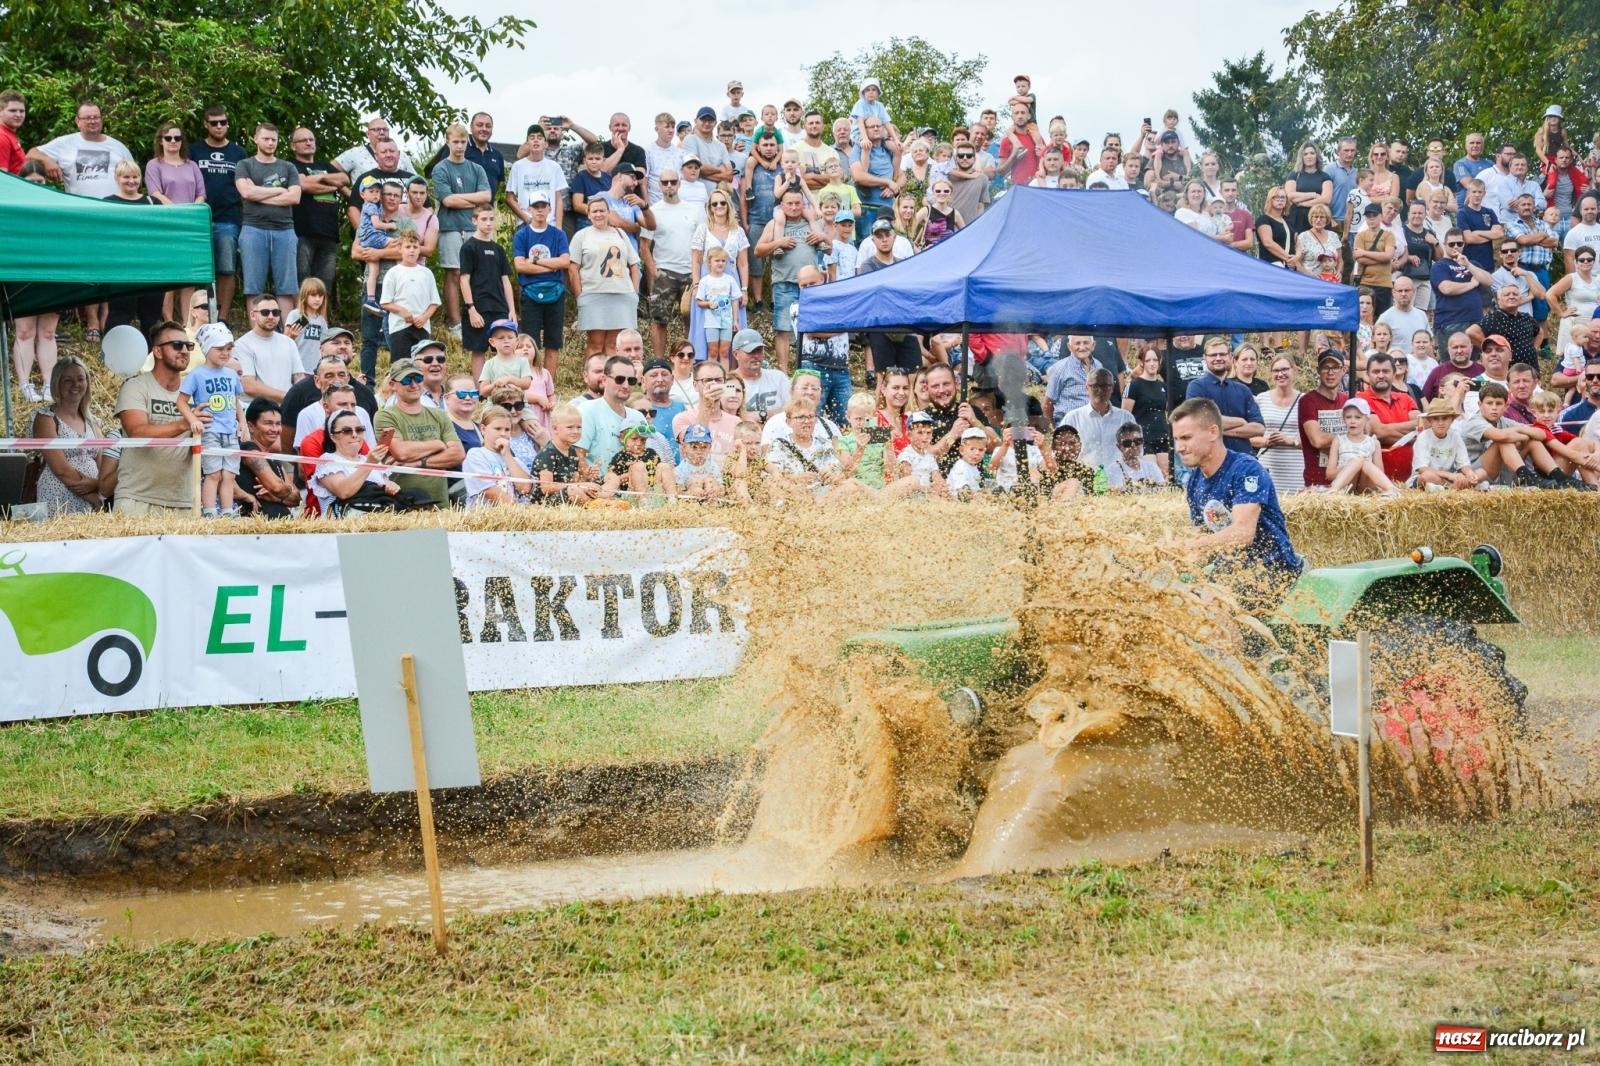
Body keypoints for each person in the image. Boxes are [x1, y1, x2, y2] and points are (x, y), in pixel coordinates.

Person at [1173, 397, 1304, 613]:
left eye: (1186, 437)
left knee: (1214, 602)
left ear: (1213, 432)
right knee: (1175, 594)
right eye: (1177, 439)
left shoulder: (1246, 469)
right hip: (1231, 570)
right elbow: (1202, 536)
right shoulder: (1194, 482)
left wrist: (1191, 547)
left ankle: (1228, 647)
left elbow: (1243, 533)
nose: (1179, 447)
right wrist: (1171, 556)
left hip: (1273, 569)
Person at [114, 321, 203, 514]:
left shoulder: (195, 389)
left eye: (188, 346)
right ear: (158, 351)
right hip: (136, 498)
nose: (185, 351)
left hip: (185, 501)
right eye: (177, 345)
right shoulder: (136, 386)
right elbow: (137, 432)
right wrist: (184, 424)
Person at [176, 322, 246, 516]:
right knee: (213, 473)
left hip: (230, 432)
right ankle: (208, 511)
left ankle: (226, 511)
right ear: (207, 349)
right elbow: (181, 401)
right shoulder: (196, 374)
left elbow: (236, 401)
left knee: (229, 474)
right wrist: (193, 420)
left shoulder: (232, 374)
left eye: (228, 349)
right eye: (220, 349)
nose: (225, 353)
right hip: (210, 431)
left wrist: (243, 423)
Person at [373, 357, 462, 508]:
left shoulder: (439, 414)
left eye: (418, 378)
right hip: (403, 503)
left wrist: (418, 462)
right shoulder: (385, 416)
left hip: (440, 504)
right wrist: (438, 444)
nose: (414, 384)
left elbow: (458, 454)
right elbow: (401, 453)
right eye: (406, 380)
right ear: (393, 385)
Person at [431, 123, 493, 336]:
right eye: (455, 142)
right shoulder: (441, 169)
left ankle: (477, 316)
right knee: (454, 273)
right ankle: (455, 322)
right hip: (450, 227)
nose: (459, 146)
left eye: (463, 142)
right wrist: (471, 201)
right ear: (448, 142)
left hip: (475, 227)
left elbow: (487, 197)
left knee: (478, 273)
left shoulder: (476, 168)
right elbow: (447, 201)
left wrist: (461, 199)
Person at [30, 357, 111, 515]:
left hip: (94, 500)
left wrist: (97, 484)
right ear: (57, 384)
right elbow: (61, 469)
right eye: (68, 380)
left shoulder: (93, 422)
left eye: (81, 379)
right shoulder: (46, 418)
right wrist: (92, 495)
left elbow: (103, 462)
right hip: (59, 497)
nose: (76, 385)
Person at [234, 123, 301, 314]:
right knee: (253, 288)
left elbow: (294, 197)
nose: (271, 143)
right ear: (256, 138)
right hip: (253, 229)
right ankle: (256, 336)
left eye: (274, 139)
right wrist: (279, 190)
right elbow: (246, 193)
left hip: (285, 230)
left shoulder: (288, 167)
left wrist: (259, 193)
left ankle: (287, 337)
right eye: (266, 138)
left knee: (287, 287)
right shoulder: (245, 165)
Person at [509, 193, 571, 380]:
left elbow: (565, 262)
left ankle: (548, 382)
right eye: (535, 206)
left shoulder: (558, 234)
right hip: (530, 293)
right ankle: (530, 380)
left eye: (543, 206)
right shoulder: (522, 235)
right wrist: (551, 266)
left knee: (553, 341)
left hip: (555, 292)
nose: (539, 210)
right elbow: (520, 266)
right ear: (529, 209)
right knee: (529, 342)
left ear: (550, 209)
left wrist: (534, 261)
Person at [570, 198, 641, 360]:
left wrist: (634, 293)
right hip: (593, 294)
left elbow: (634, 264)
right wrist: (579, 295)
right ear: (588, 215)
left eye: (602, 210)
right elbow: (573, 268)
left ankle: (612, 380)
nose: (599, 214)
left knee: (613, 343)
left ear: (609, 213)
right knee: (595, 343)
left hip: (622, 295)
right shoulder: (581, 236)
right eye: (594, 211)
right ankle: (594, 380)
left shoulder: (620, 233)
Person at [689, 189, 750, 362]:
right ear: (709, 207)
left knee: (733, 324)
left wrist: (744, 289)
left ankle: (730, 368)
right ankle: (705, 366)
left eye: (722, 202)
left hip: (731, 280)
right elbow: (695, 259)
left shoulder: (737, 231)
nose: (719, 206)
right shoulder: (703, 229)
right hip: (707, 281)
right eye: (714, 203)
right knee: (706, 322)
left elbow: (743, 263)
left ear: (728, 205)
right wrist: (696, 284)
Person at [459, 205, 517, 380]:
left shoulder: (498, 249)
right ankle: (480, 393)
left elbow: (506, 281)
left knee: (506, 349)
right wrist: (471, 309)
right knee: (479, 350)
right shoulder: (469, 247)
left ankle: (506, 388)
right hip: (478, 307)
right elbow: (464, 279)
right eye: (484, 219)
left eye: (491, 219)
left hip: (499, 307)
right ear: (474, 221)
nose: (488, 223)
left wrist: (512, 310)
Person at [1185, 337, 1265, 454]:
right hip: (1210, 460)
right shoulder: (1196, 387)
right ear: (1204, 358)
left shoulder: (1243, 390)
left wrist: (1218, 430)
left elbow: (1259, 428)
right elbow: (1200, 422)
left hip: (1242, 461)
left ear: (1230, 357)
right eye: (1213, 355)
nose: (1218, 358)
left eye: (1222, 354)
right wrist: (1242, 421)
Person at [1356, 350, 1420, 485]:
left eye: (1385, 371)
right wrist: (1409, 435)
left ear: (1394, 373)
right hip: (1376, 482)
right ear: (1367, 375)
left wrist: (1388, 430)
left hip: (1409, 479)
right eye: (1376, 371)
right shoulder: (1361, 399)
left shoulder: (1406, 398)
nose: (1381, 375)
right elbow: (1378, 432)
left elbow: (1421, 427)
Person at [378, 230, 440, 364]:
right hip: (400, 326)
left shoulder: (426, 273)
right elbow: (385, 302)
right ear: (400, 249)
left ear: (419, 250)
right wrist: (402, 311)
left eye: (415, 247)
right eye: (408, 247)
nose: (411, 250)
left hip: (422, 326)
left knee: (422, 364)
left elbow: (434, 302)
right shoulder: (393, 273)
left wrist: (424, 317)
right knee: (401, 364)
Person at [235, 399, 301, 518]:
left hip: (282, 526)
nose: (275, 429)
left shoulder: (274, 458)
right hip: (257, 529)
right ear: (251, 426)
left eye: (278, 424)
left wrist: (277, 496)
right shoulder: (248, 449)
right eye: (268, 423)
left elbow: (297, 500)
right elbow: (276, 486)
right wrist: (284, 490)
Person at [461, 404, 533, 508]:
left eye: (507, 430)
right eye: (498, 429)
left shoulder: (514, 460)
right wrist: (520, 509)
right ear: (483, 429)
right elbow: (489, 491)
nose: (503, 433)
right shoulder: (476, 454)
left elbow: (525, 488)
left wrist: (508, 455)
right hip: (488, 516)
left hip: (516, 515)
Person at [1298, 350, 1350, 489]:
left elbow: (1366, 433)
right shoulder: (1308, 401)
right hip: (1317, 481)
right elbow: (1318, 440)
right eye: (1325, 367)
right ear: (1318, 371)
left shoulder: (1348, 401)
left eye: (1335, 367)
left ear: (1343, 370)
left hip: (1346, 479)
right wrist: (1350, 439)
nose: (1330, 372)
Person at [1326, 398, 1399, 496]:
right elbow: (1329, 474)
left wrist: (1361, 464)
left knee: (1363, 462)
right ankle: (1333, 491)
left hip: (1366, 488)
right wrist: (1351, 466)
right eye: (1348, 417)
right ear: (1343, 419)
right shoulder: (1338, 440)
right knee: (1358, 461)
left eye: (1358, 417)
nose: (1352, 421)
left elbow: (1380, 472)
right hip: (1346, 487)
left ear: (1367, 419)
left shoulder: (1374, 442)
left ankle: (1391, 489)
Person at [533, 405, 600, 505]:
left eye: (579, 427)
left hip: (568, 494)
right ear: (555, 429)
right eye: (570, 427)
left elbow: (574, 482)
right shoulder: (547, 453)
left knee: (598, 487)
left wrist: (586, 477)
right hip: (545, 502)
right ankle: (597, 508)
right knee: (573, 491)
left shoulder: (572, 451)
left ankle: (602, 503)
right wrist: (581, 485)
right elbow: (546, 488)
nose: (575, 431)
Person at [1284, 141, 1333, 237]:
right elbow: (1290, 196)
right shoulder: (1294, 175)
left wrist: (1301, 203)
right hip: (1298, 219)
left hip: (1319, 217)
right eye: (1305, 154)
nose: (1309, 156)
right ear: (1301, 157)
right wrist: (1313, 195)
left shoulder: (1325, 176)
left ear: (1317, 156)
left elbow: (1326, 199)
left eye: (1312, 153)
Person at [284, 278, 329, 375]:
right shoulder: (295, 315)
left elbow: (324, 345)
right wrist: (291, 336)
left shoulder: (321, 320)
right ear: (305, 296)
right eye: (313, 295)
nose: (317, 299)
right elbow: (283, 342)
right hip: (297, 368)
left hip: (316, 369)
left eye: (320, 296)